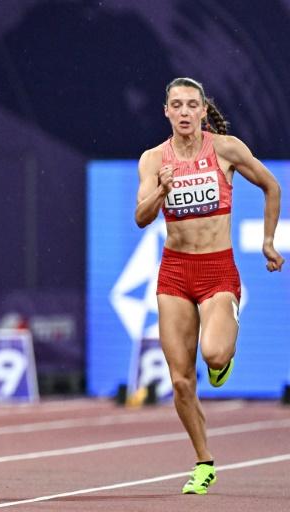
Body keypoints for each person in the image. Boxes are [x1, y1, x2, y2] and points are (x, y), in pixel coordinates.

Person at [135, 77, 284, 494]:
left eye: (191, 106)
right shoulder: (152, 160)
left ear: (203, 111)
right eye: (176, 106)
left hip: (217, 271)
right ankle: (204, 462)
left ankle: (222, 361)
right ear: (166, 112)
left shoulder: (225, 149)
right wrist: (162, 191)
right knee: (181, 380)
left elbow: (272, 186)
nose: (184, 112)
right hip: (175, 273)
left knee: (213, 353)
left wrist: (267, 242)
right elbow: (141, 217)